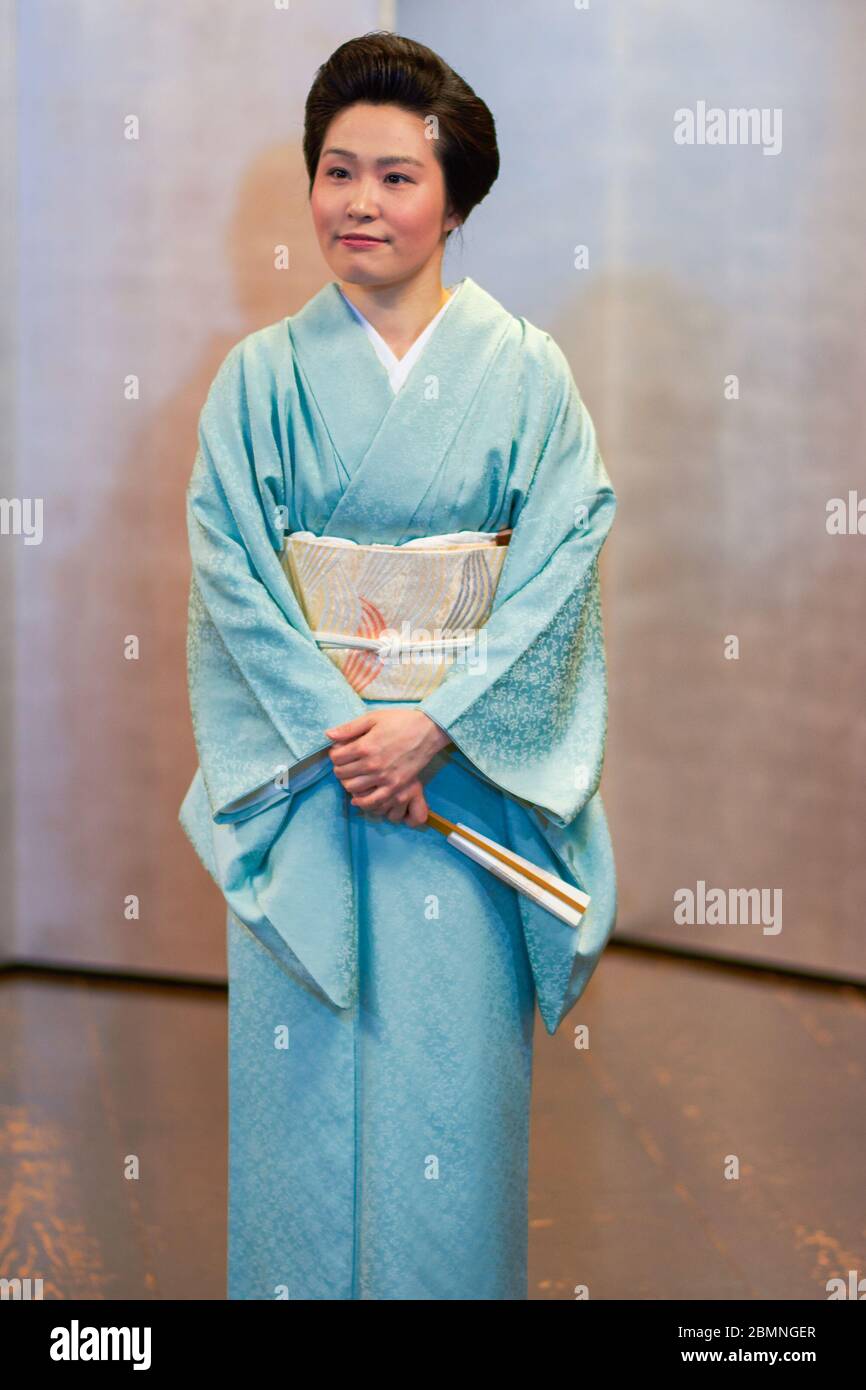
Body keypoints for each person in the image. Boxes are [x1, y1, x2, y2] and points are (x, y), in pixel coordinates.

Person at [179, 31, 617, 1300]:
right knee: (301, 1082)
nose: (358, 203)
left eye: (395, 176)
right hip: (311, 782)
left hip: (459, 776)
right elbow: (231, 574)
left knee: (450, 1098)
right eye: (335, 171)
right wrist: (344, 728)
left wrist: (433, 724)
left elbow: (561, 559)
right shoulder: (256, 380)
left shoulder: (527, 376)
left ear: (456, 198)